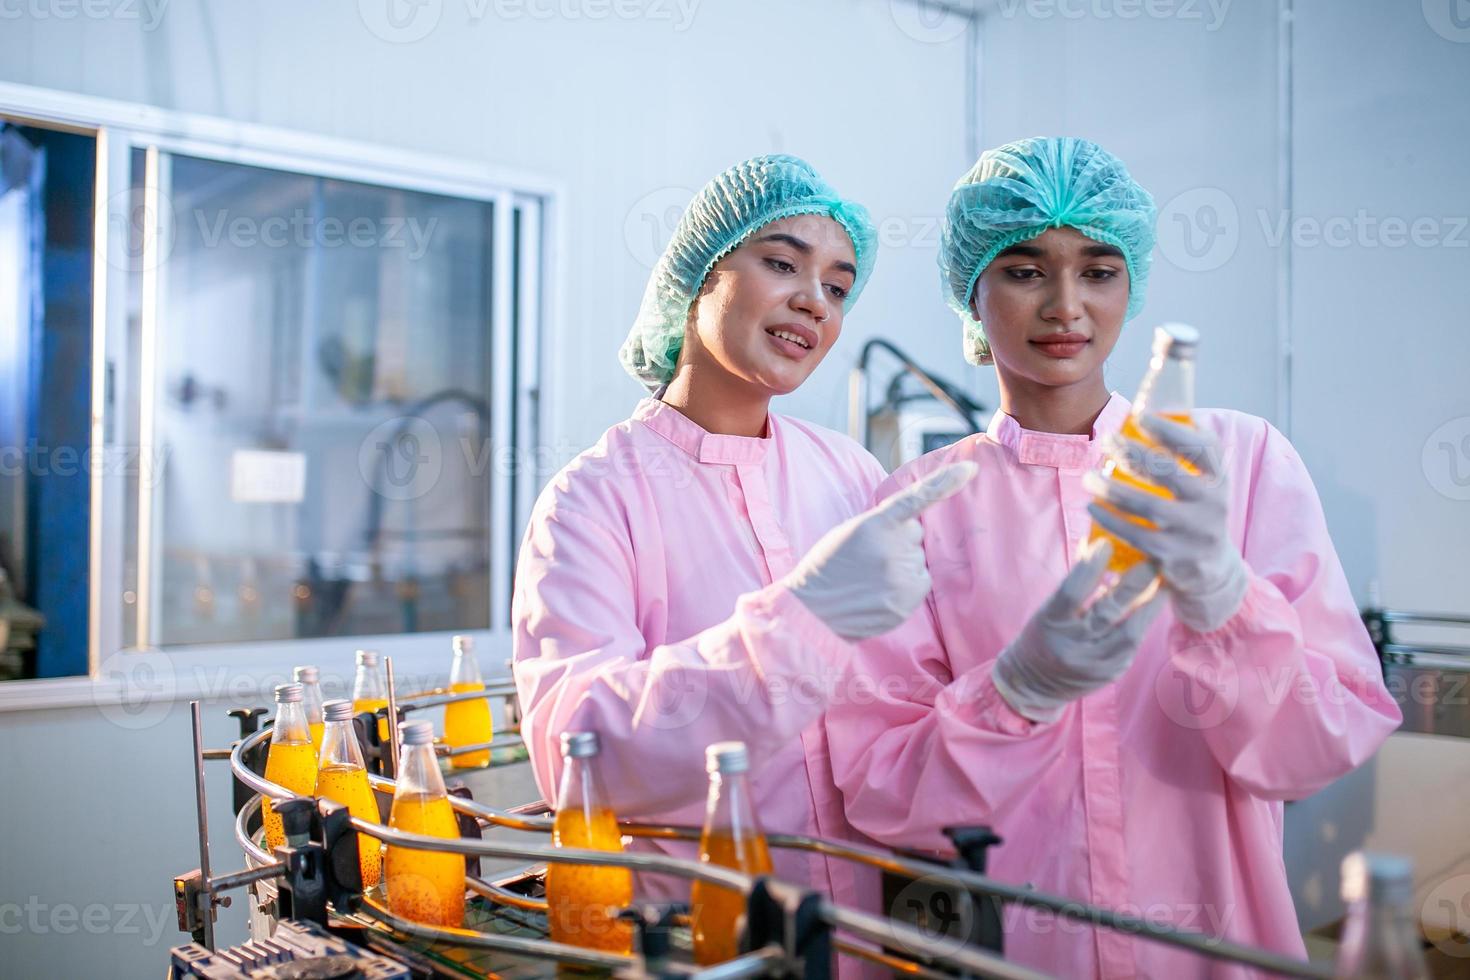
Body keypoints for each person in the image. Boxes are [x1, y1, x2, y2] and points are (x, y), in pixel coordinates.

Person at [825, 137, 1402, 979]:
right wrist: (1009, 693)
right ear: (971, 292)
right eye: (1025, 271)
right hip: (1019, 955)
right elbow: (881, 789)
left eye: (1098, 271)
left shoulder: (1234, 464)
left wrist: (1223, 599)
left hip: (1213, 951)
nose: (1066, 304)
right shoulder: (920, 504)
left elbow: (1320, 747)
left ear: (1131, 288)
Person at [512, 154, 973, 937]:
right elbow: (576, 750)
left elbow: (901, 699)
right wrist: (798, 625)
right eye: (783, 262)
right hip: (701, 939)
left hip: (866, 933)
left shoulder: (849, 471)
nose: (814, 302)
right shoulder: (593, 498)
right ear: (700, 275)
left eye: (837, 285)